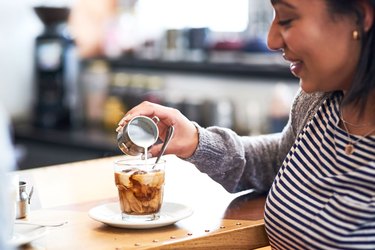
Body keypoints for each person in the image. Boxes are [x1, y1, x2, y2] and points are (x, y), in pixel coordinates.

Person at [116, 0, 375, 249]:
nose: (271, 40)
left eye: (287, 19)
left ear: (361, 15)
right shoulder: (319, 102)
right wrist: (196, 141)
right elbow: (281, 161)